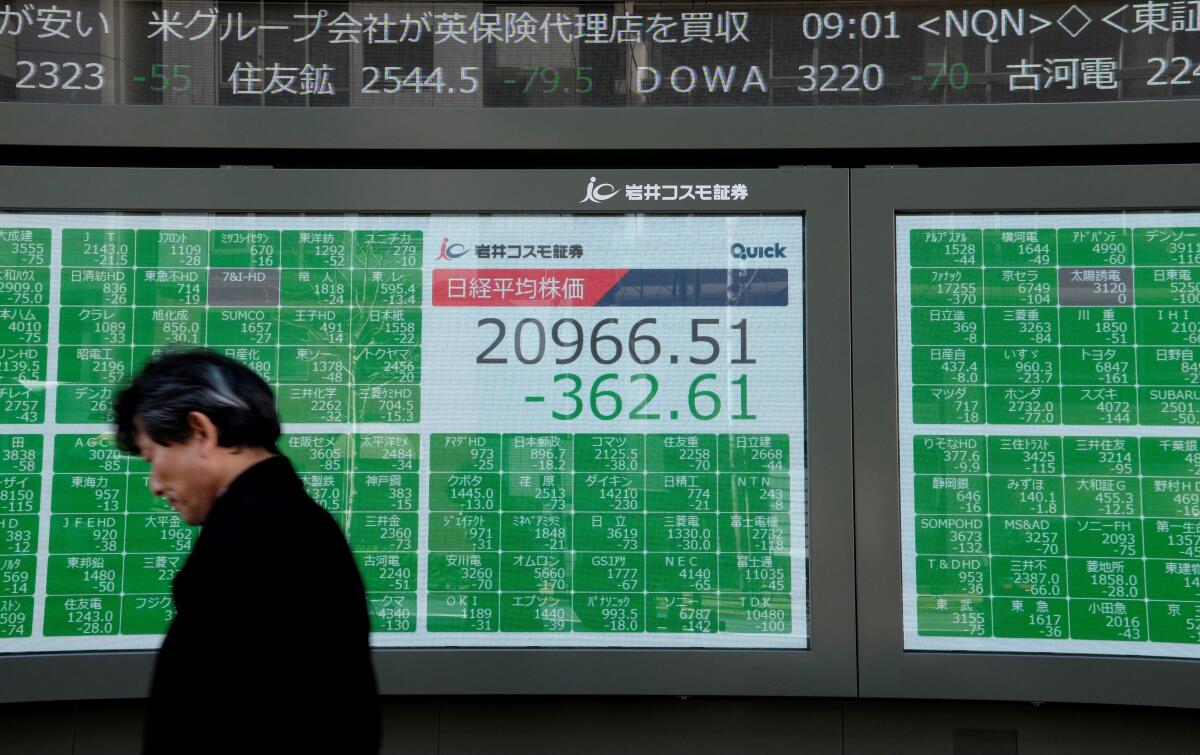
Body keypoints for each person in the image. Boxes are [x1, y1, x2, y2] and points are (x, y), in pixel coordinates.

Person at [114, 349, 380, 754]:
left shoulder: (253, 537)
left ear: (202, 432)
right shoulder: (288, 520)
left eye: (154, 457)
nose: (154, 484)